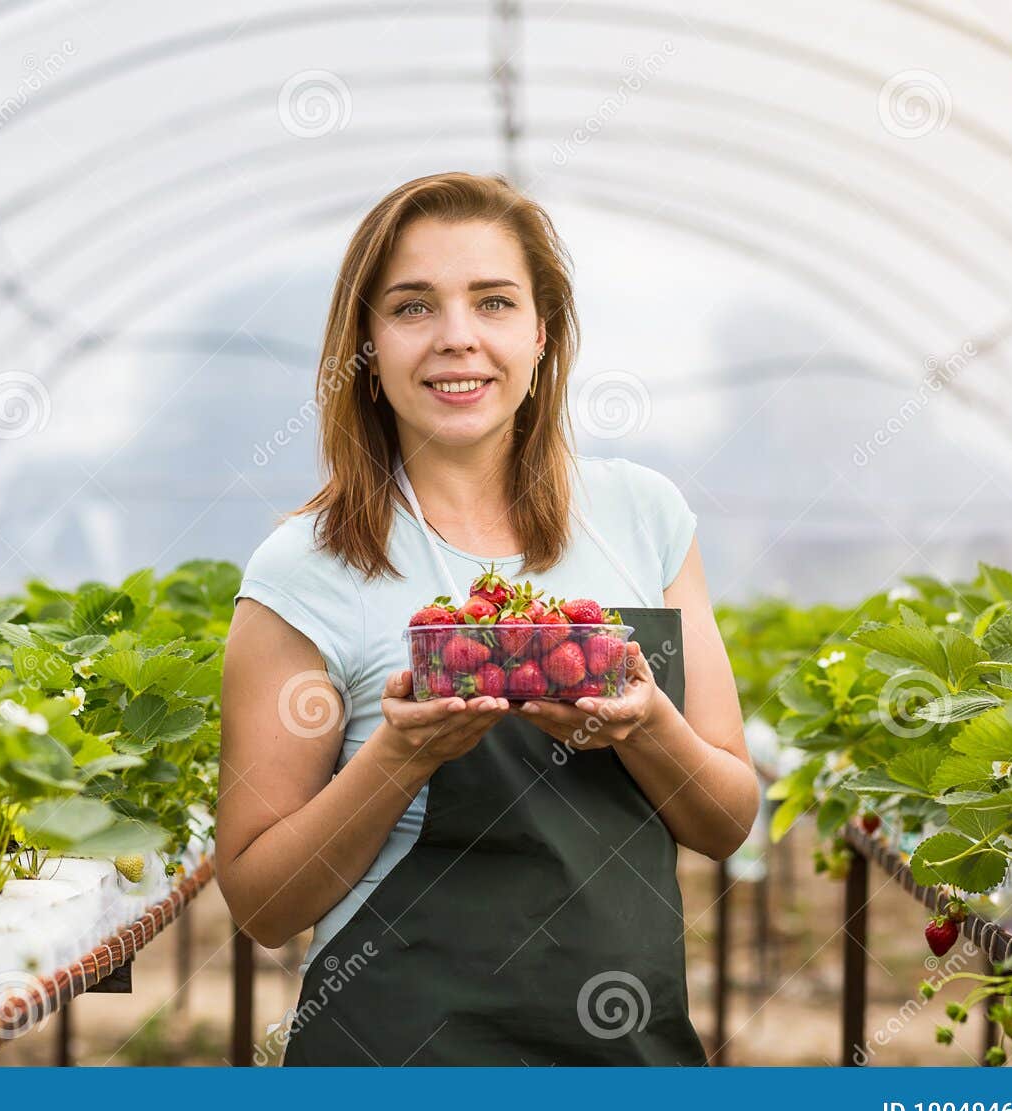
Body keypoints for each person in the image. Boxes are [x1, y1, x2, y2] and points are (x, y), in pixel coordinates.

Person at [217, 171, 759, 1065]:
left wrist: (646, 726)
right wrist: (404, 753)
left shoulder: (644, 518)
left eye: (494, 302)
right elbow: (263, 904)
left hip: (625, 1057)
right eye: (413, 307)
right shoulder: (306, 568)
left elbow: (726, 819)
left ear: (542, 333)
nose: (457, 338)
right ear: (367, 343)